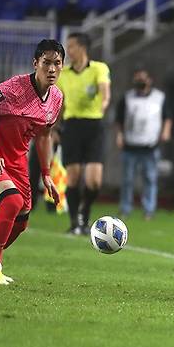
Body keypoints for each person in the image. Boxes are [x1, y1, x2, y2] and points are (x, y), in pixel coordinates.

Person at [0, 39, 64, 285]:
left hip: (18, 164)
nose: (52, 69)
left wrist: (46, 173)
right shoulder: (12, 89)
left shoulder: (56, 98)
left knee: (20, 223)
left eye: (57, 64)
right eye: (46, 63)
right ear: (36, 63)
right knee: (12, 202)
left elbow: (44, 136)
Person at [56, 33, 111, 235]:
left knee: (94, 180)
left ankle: (84, 211)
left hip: (94, 125)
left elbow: (105, 92)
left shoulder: (99, 68)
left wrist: (103, 105)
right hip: (72, 126)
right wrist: (54, 128)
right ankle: (75, 224)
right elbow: (59, 104)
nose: (68, 51)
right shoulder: (64, 74)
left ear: (82, 48)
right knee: (73, 177)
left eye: (71, 47)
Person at [115, 68, 172, 220]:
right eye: (137, 77)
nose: (140, 81)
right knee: (127, 180)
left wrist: (166, 131)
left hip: (150, 145)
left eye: (142, 77)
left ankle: (149, 209)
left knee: (150, 178)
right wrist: (119, 135)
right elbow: (119, 120)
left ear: (149, 80)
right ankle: (125, 209)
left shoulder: (159, 98)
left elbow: (167, 117)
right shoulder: (127, 98)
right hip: (130, 145)